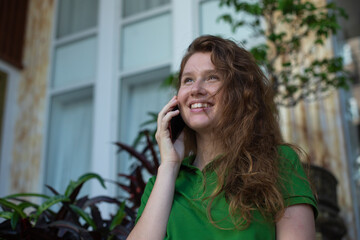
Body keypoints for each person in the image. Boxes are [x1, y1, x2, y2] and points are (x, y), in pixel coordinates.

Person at [127, 35, 317, 240]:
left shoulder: (278, 161)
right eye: (188, 80)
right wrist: (169, 165)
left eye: (212, 77)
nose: (196, 90)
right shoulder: (162, 183)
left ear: (241, 92)